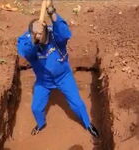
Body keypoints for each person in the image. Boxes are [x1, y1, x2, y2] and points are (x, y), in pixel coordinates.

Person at [16, 1, 99, 138]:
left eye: (41, 35)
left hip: (63, 77)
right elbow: (26, 51)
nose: (39, 36)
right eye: (35, 34)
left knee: (77, 104)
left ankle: (88, 124)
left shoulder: (54, 36)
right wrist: (34, 41)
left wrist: (52, 12)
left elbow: (65, 33)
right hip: (43, 81)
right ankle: (41, 124)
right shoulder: (28, 39)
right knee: (36, 108)